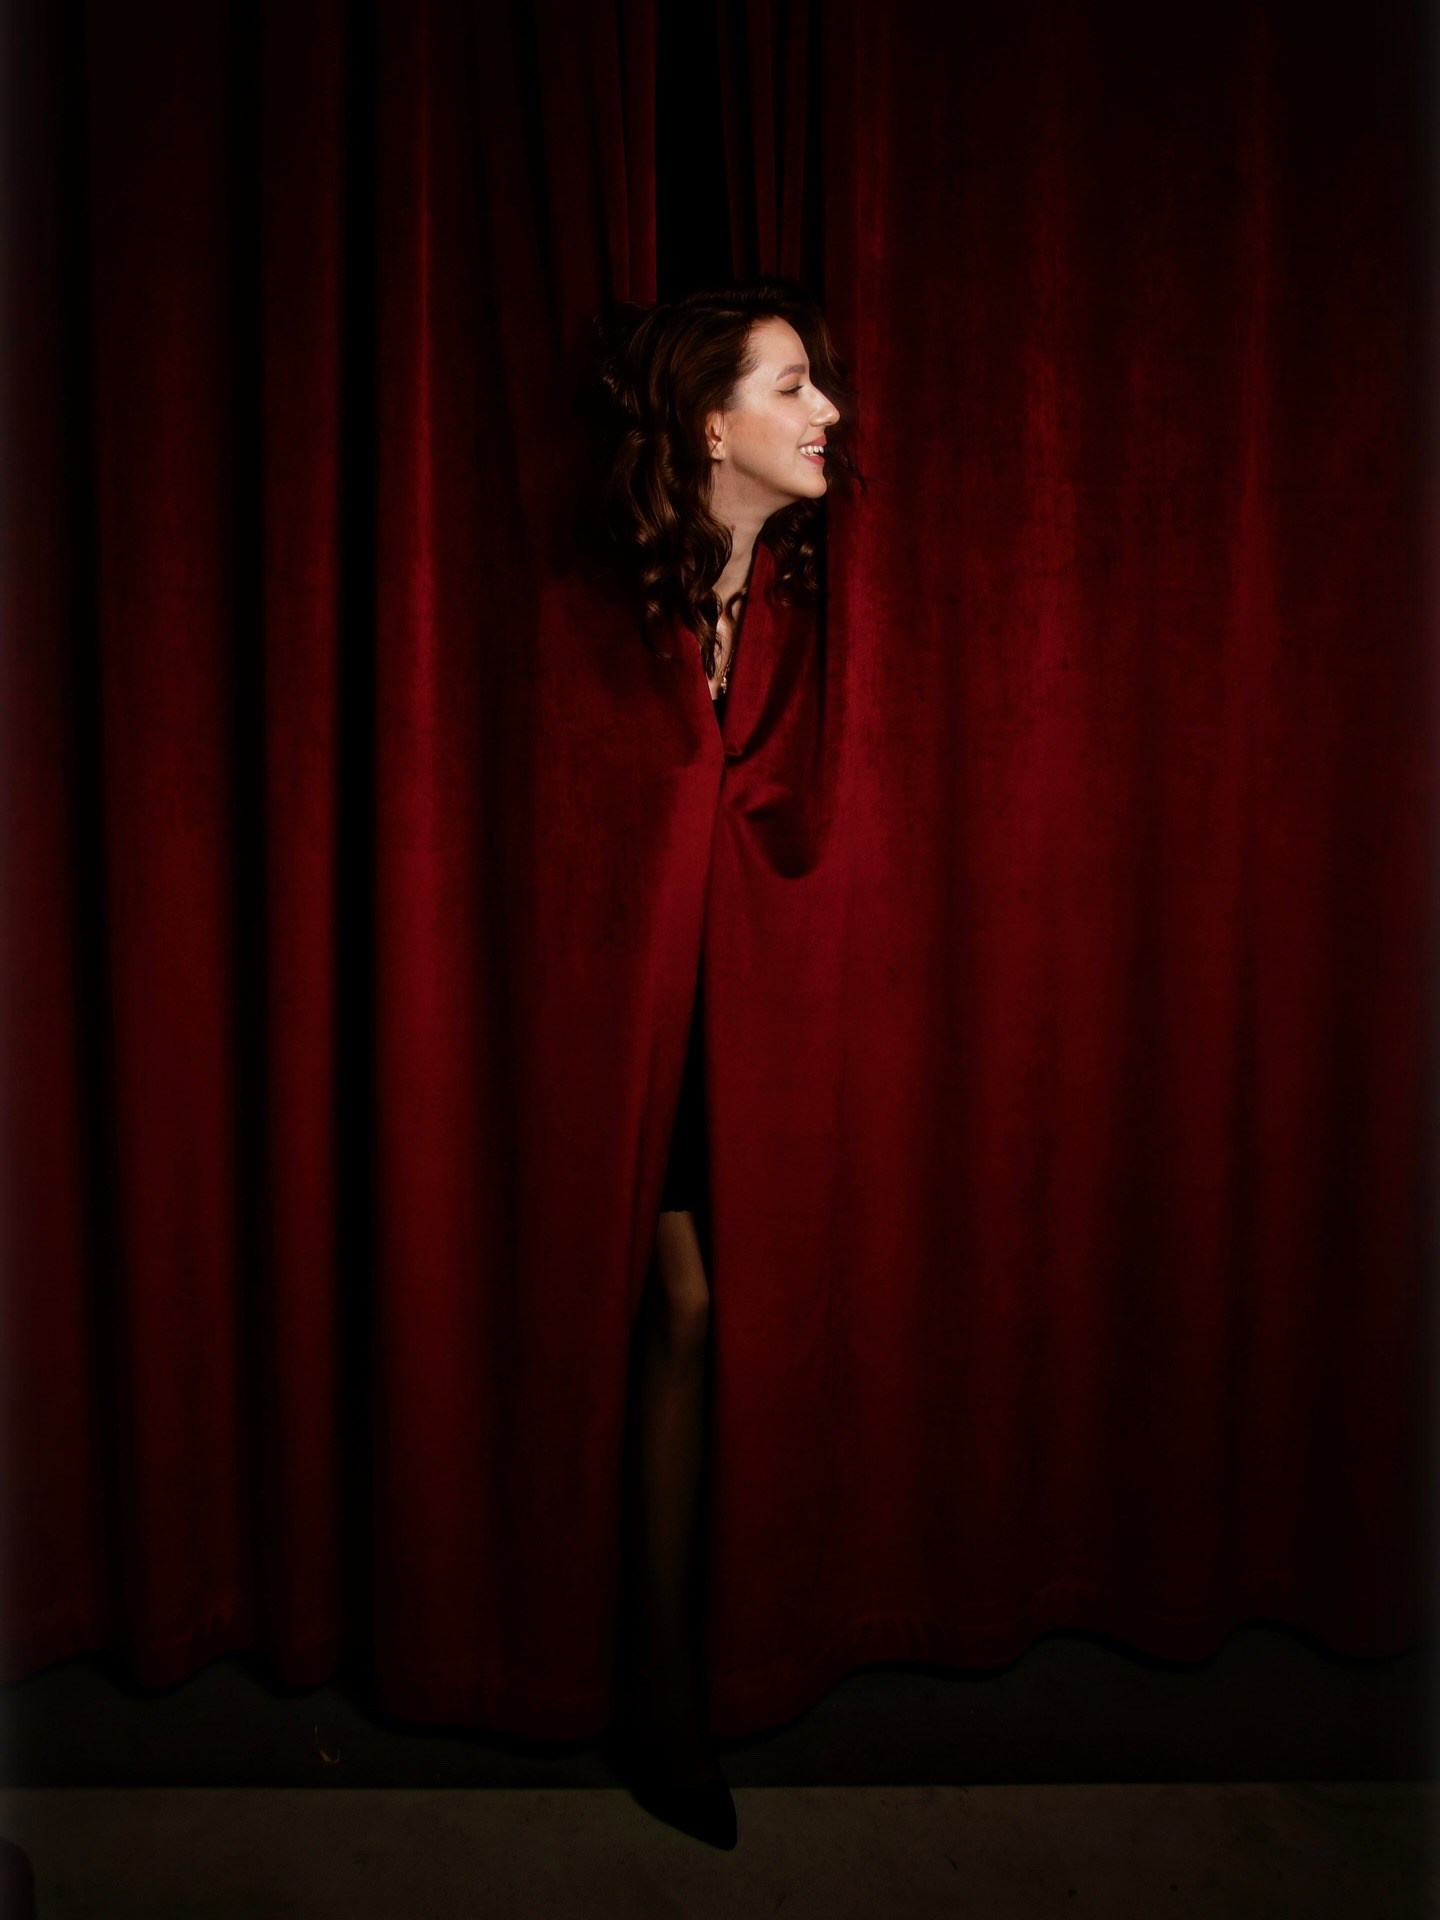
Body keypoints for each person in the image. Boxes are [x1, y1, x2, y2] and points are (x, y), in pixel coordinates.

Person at [581, 279, 862, 1849]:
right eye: (793, 385)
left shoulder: (814, 615)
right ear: (707, 423)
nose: (829, 414)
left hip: (742, 1014)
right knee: (679, 1308)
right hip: (617, 1022)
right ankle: (657, 1686)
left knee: (707, 1313)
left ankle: (672, 1672)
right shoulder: (616, 604)